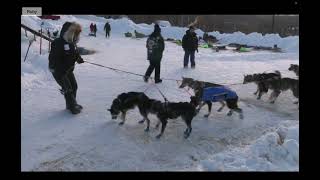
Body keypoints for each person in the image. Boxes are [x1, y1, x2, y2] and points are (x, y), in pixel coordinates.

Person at [48, 22, 85, 114]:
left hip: (67, 70)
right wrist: (60, 70)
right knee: (68, 89)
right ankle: (73, 107)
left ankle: (71, 105)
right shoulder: (57, 43)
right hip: (58, 70)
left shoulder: (71, 43)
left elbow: (74, 53)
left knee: (74, 86)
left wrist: (78, 59)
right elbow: (53, 59)